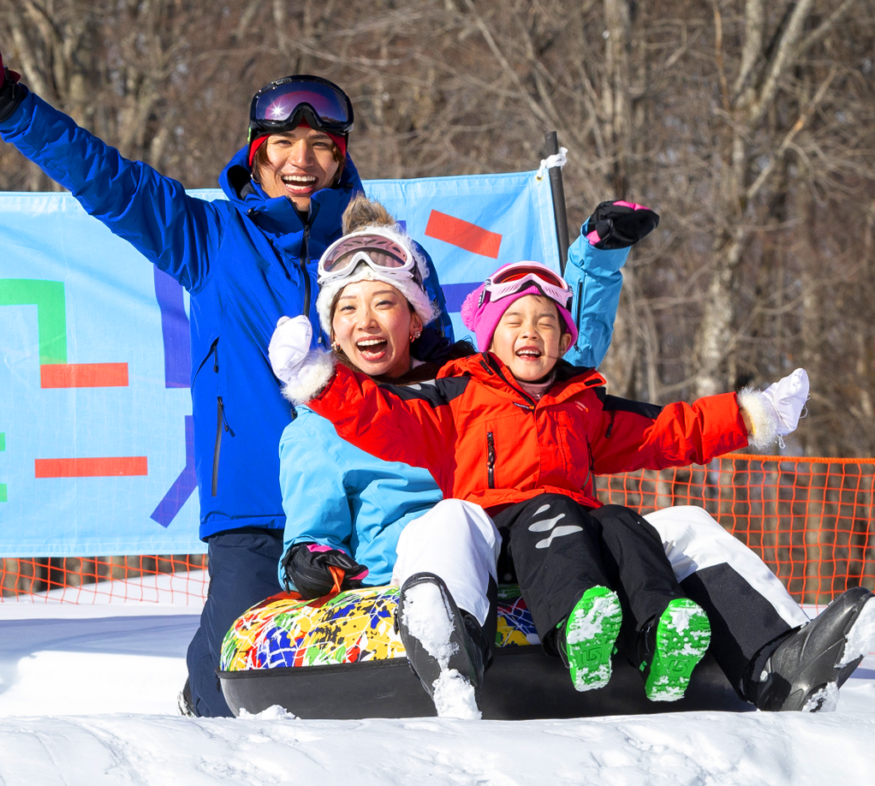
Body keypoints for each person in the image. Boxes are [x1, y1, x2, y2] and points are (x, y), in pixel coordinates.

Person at [0, 38, 456, 717]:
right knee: (235, 677)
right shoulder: (207, 238)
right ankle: (199, 711)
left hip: (372, 498)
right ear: (256, 150)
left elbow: (448, 366)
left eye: (322, 144)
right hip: (256, 503)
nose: (303, 161)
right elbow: (108, 181)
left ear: (342, 155)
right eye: (284, 143)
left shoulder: (385, 253)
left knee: (379, 678)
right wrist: (10, 104)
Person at [271, 240, 874, 715]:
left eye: (384, 302)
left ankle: (777, 661)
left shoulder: (557, 395)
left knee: (680, 522)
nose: (367, 320)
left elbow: (667, 428)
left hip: (564, 539)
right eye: (348, 307)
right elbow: (376, 424)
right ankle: (450, 655)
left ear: (414, 317)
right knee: (453, 515)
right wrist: (318, 387)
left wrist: (753, 415)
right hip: (440, 554)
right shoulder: (438, 402)